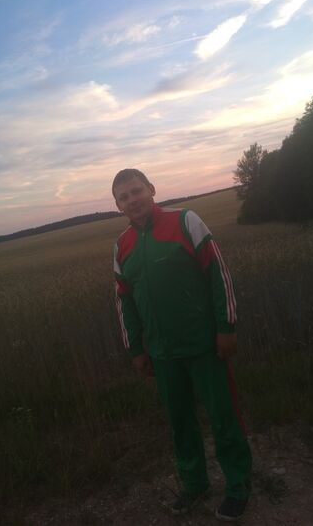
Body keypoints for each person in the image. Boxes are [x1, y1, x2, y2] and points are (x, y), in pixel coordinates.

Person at [112, 168, 252, 521]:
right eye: (124, 197)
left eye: (136, 191)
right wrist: (136, 350)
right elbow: (124, 302)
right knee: (181, 423)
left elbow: (219, 274)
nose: (132, 200)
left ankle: (238, 486)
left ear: (151, 189)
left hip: (204, 346)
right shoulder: (122, 245)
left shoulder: (186, 221)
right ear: (118, 206)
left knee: (223, 417)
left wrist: (226, 327)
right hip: (162, 355)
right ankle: (194, 484)